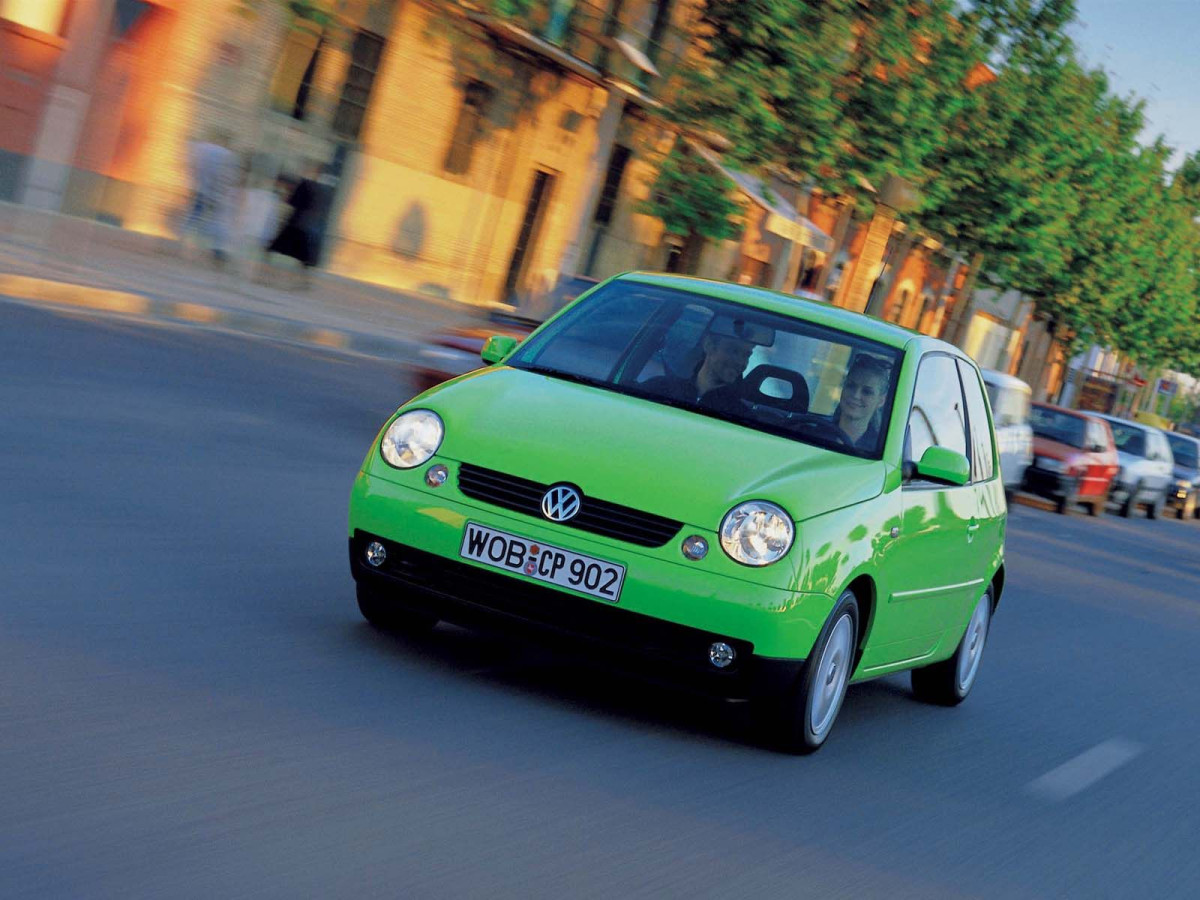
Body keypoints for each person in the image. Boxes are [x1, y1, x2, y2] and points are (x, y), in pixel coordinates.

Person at [642, 329, 755, 407]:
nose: (741, 362)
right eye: (733, 351)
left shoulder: (742, 416)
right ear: (709, 345)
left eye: (747, 355)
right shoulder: (658, 388)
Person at [267, 162, 336, 288]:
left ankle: (264, 274)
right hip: (307, 224)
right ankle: (304, 281)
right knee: (302, 257)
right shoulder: (322, 188)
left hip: (296, 222)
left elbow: (293, 202)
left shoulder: (305, 184)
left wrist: (285, 197)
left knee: (273, 248)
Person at [181, 131, 238, 266]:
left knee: (196, 214)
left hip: (202, 189)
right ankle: (217, 250)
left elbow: (193, 167)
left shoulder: (202, 149)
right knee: (216, 220)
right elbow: (226, 176)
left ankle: (183, 238)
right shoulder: (224, 154)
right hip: (215, 192)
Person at [834, 355, 891, 449]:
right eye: (851, 386)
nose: (856, 395)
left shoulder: (882, 451)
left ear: (881, 401)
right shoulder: (812, 433)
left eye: (867, 392)